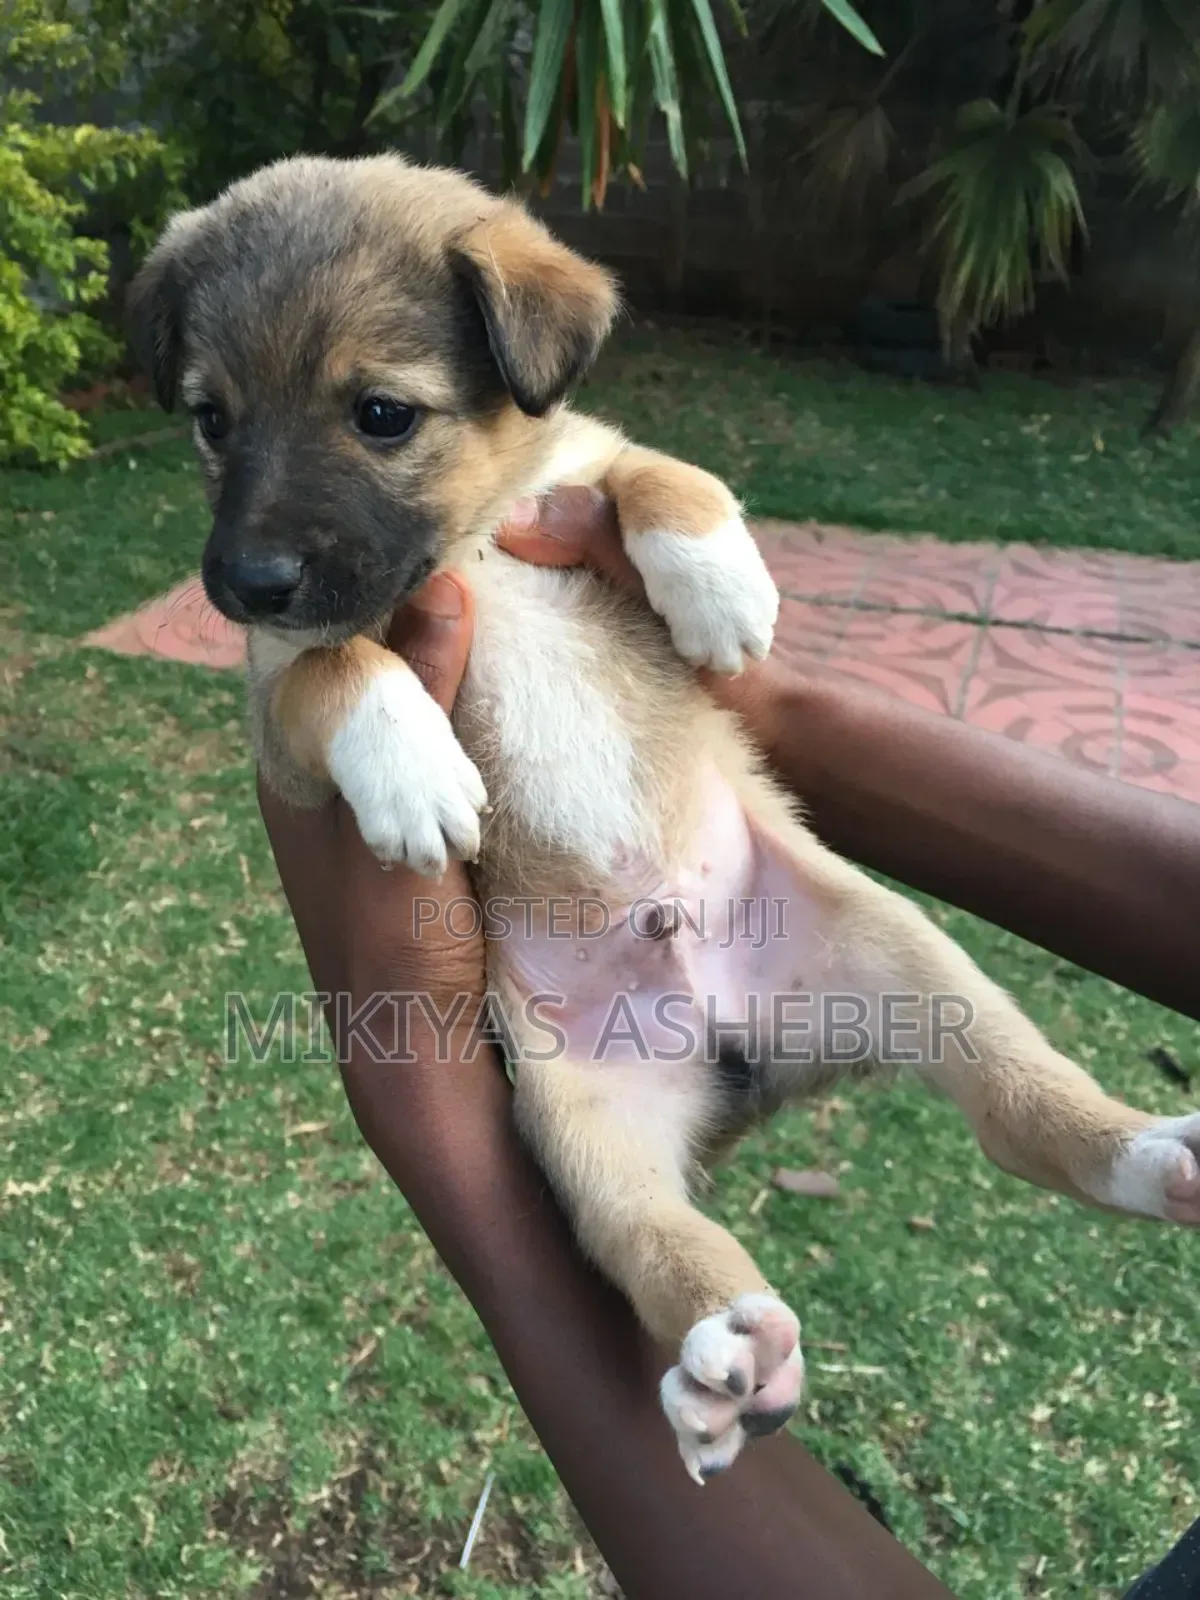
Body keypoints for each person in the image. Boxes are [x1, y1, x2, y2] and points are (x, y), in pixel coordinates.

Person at [258, 488, 1200, 1600]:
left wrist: (676, 520)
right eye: (216, 427)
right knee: (617, 1182)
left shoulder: (559, 457)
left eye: (381, 414)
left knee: (932, 989)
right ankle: (715, 1313)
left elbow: (650, 486)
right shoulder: (316, 581)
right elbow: (290, 722)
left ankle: (1099, 1142)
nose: (266, 521)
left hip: (751, 882)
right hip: (576, 996)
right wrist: (354, 698)